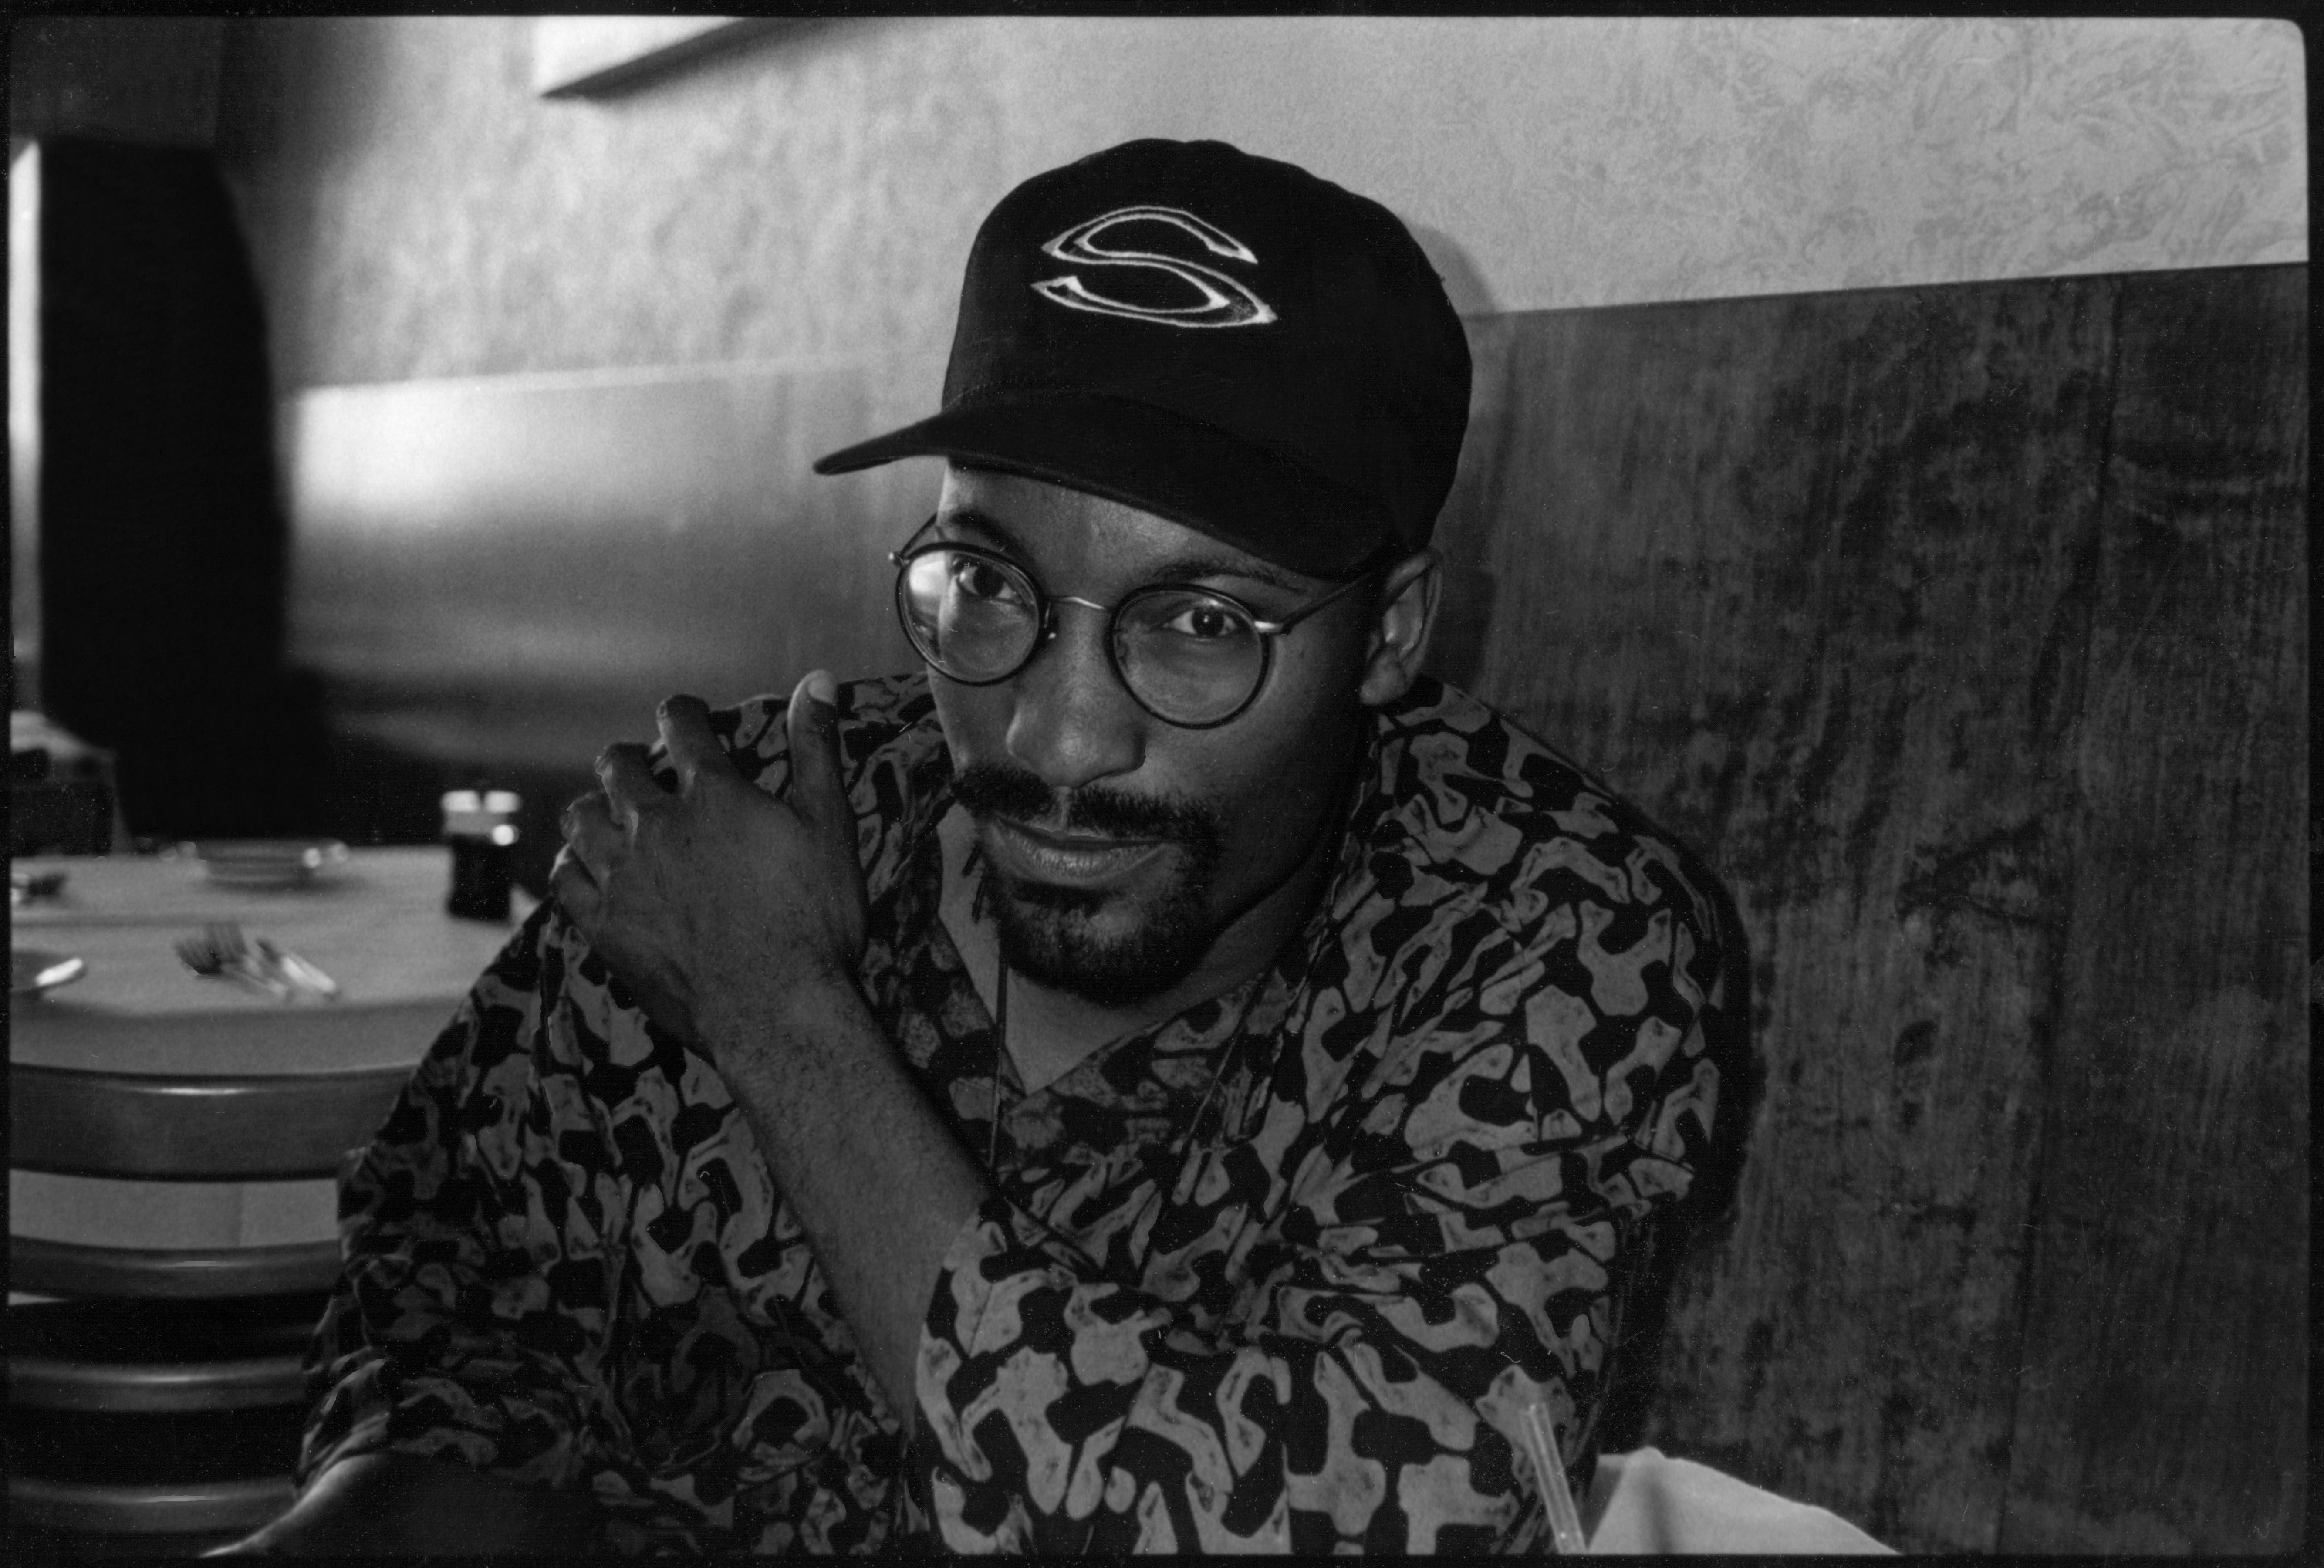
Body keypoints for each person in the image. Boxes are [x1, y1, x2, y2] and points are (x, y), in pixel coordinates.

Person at [227, 138, 1737, 1555]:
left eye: (1204, 625)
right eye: (990, 587)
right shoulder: (745, 820)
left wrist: (781, 1017)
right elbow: (464, 1292)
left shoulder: (1548, 944)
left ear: (1390, 633)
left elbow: (1333, 1520)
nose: (1056, 742)